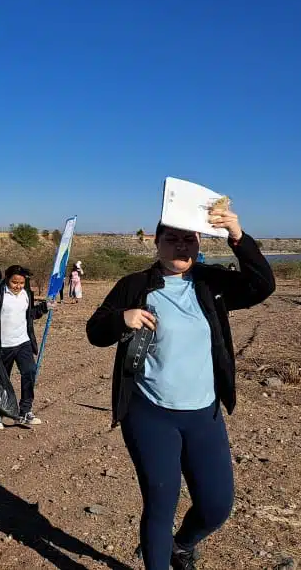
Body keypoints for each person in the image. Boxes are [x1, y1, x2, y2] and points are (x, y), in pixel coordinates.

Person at [86, 203, 274, 570]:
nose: (181, 246)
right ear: (155, 243)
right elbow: (96, 331)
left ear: (200, 242)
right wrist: (121, 319)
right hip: (150, 414)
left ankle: (182, 545)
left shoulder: (211, 283)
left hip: (204, 413)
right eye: (171, 239)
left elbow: (262, 285)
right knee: (161, 503)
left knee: (217, 506)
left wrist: (237, 235)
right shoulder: (134, 286)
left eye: (189, 239)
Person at [0, 264, 49, 429]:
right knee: (2, 380)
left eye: (21, 283)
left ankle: (25, 411)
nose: (18, 286)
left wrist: (44, 308)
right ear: (7, 280)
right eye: (14, 282)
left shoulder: (26, 294)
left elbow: (30, 315)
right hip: (2, 344)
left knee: (30, 372)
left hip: (23, 342)